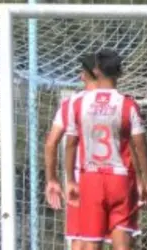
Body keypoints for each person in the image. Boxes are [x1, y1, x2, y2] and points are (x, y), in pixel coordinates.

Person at [64, 49, 147, 250]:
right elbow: (140, 146)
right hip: (120, 179)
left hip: (91, 177)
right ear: (120, 73)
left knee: (91, 242)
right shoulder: (128, 104)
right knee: (122, 242)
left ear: (95, 71)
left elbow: (70, 143)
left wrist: (70, 179)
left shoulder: (78, 103)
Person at [45, 53, 97, 250]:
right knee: (119, 238)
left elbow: (51, 143)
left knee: (81, 239)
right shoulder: (121, 102)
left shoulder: (71, 104)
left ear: (84, 75)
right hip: (113, 178)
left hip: (79, 179)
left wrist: (52, 179)